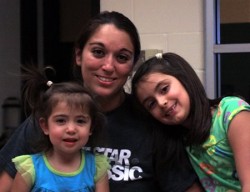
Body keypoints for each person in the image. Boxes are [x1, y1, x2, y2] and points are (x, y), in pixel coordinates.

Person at [0, 11, 202, 191]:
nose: (108, 66)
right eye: (98, 52)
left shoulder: (151, 123)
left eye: (122, 57)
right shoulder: (49, 117)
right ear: (79, 55)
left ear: (132, 66)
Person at [131, 52, 250, 191]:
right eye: (151, 104)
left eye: (164, 89)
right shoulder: (179, 140)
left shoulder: (231, 113)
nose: (161, 102)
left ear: (184, 79)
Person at [10, 66, 110, 191]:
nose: (71, 129)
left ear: (91, 127)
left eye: (80, 121)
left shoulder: (97, 167)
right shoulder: (29, 169)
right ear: (45, 126)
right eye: (61, 120)